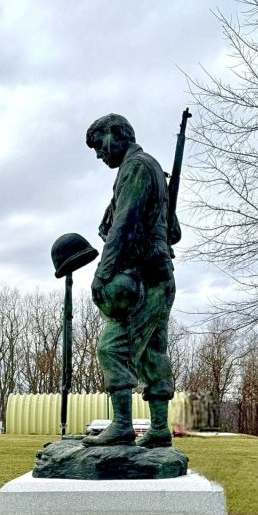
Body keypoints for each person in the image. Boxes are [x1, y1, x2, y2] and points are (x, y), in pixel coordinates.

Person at [82, 113, 181, 448]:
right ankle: (158, 430)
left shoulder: (137, 167)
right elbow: (175, 232)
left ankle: (123, 425)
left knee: (112, 348)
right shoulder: (146, 168)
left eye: (99, 145)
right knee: (153, 352)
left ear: (116, 134)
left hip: (145, 277)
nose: (99, 154)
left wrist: (102, 273)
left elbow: (123, 225)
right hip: (160, 276)